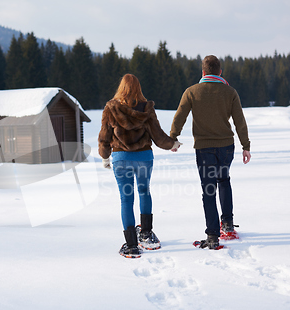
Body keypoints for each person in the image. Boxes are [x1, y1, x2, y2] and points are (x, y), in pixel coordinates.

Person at [170, 55, 251, 250]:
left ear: (203, 72)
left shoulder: (192, 92)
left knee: (208, 189)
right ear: (220, 72)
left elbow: (180, 115)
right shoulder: (230, 92)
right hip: (226, 147)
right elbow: (240, 121)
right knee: (224, 181)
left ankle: (213, 235)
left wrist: (173, 138)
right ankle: (228, 225)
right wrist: (245, 146)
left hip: (204, 148)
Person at [98, 74, 181, 258]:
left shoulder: (111, 107)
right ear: (138, 88)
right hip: (144, 157)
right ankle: (146, 235)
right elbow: (157, 135)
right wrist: (172, 144)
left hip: (121, 158)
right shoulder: (146, 108)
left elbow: (104, 136)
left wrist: (105, 157)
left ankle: (131, 245)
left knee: (126, 200)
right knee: (144, 191)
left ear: (121, 88)